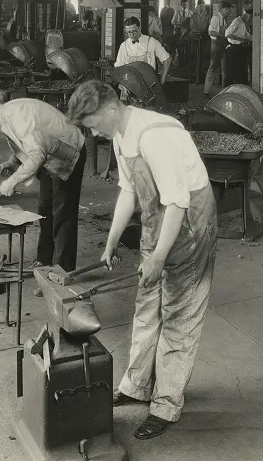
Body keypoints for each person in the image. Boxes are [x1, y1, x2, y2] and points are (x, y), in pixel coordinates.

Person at [67, 80, 217, 440]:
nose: (91, 131)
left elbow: (178, 202)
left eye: (91, 122)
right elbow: (130, 190)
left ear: (110, 108)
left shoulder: (154, 135)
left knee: (179, 315)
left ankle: (166, 403)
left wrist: (159, 256)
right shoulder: (121, 135)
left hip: (190, 226)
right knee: (147, 306)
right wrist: (111, 242)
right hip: (157, 221)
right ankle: (136, 385)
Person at [0, 97, 86, 272]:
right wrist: (13, 162)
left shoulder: (19, 117)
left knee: (62, 214)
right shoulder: (5, 116)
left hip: (68, 154)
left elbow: (37, 155)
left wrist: (12, 181)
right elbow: (25, 143)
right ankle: (44, 261)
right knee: (45, 210)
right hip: (50, 154)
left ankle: (63, 271)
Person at [114, 16, 172, 84]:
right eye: (128, 32)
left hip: (148, 84)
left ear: (139, 28)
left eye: (134, 31)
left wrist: (162, 80)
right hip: (129, 86)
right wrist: (123, 84)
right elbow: (119, 67)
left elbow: (167, 59)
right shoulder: (124, 45)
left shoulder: (151, 42)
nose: (131, 35)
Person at [204, 1, 234, 95]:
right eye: (229, 11)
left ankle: (224, 92)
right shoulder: (215, 18)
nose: (230, 13)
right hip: (216, 46)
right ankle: (207, 90)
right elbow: (211, 32)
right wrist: (223, 35)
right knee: (212, 68)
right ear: (224, 9)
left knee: (225, 69)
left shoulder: (224, 19)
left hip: (223, 45)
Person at [224, 2, 254, 85]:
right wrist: (240, 39)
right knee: (232, 71)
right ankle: (228, 89)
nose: (251, 20)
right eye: (251, 18)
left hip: (241, 48)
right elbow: (227, 34)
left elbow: (247, 36)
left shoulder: (244, 23)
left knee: (242, 71)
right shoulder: (237, 21)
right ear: (247, 15)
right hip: (233, 49)